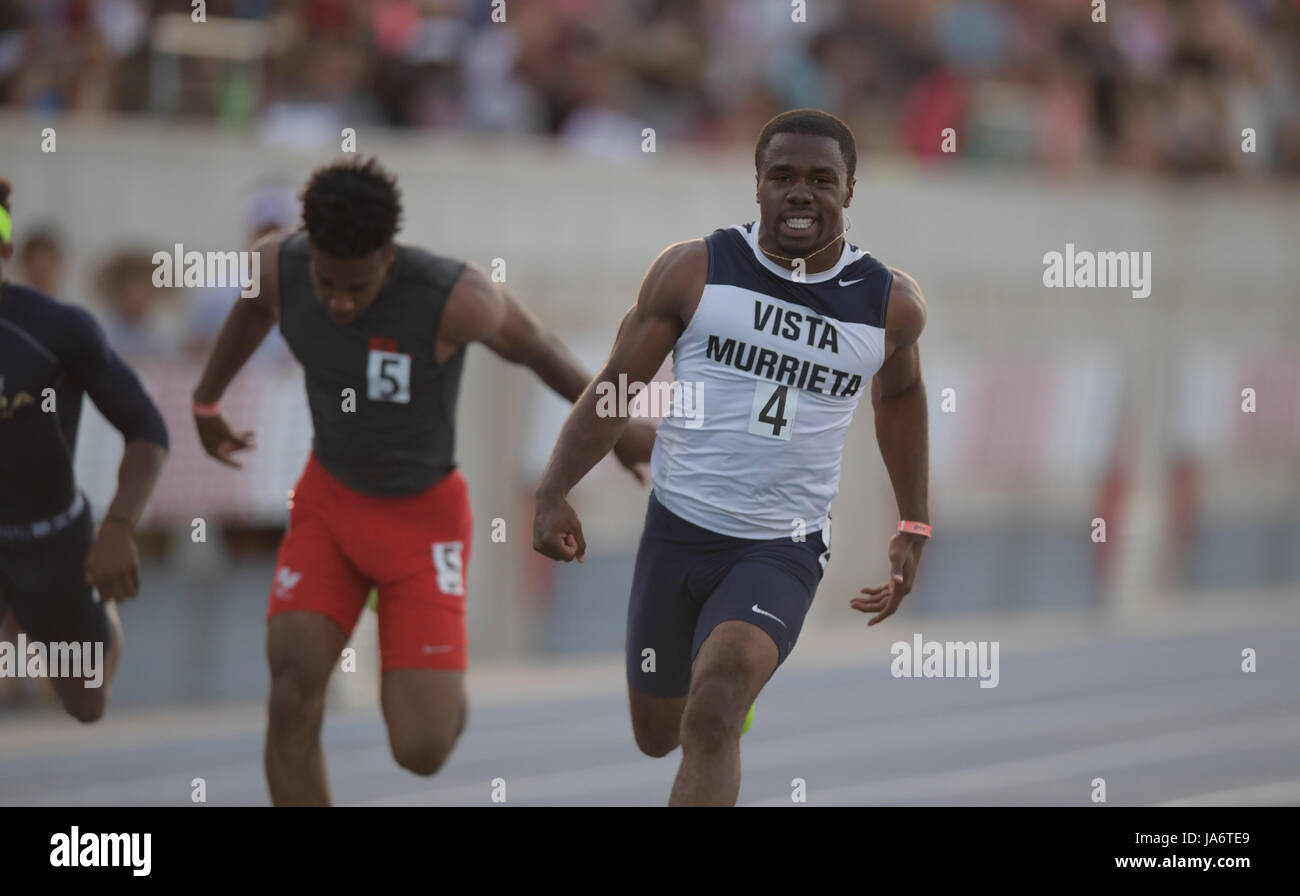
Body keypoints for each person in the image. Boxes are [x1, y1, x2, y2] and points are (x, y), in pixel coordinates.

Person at [192, 157, 654, 806]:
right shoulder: (276, 266)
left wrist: (619, 429)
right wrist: (207, 400)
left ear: (388, 256)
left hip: (423, 519)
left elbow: (539, 347)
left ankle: (424, 668)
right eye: (327, 284)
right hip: (329, 501)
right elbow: (250, 310)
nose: (341, 303)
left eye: (358, 287)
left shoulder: (457, 298)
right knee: (292, 694)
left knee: (421, 749)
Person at [533, 109, 932, 806]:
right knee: (659, 733)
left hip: (781, 546)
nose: (800, 193)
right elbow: (616, 388)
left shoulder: (889, 305)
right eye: (782, 177)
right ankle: (720, 697)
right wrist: (554, 489)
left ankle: (728, 695)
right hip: (679, 528)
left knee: (713, 710)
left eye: (821, 179)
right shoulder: (694, 271)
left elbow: (900, 399)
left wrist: (915, 521)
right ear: (757, 186)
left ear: (850, 191)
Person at [0, 176, 169, 722]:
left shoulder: (56, 330)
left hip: (53, 541)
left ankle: (101, 625)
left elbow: (146, 424)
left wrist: (119, 526)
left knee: (86, 700)